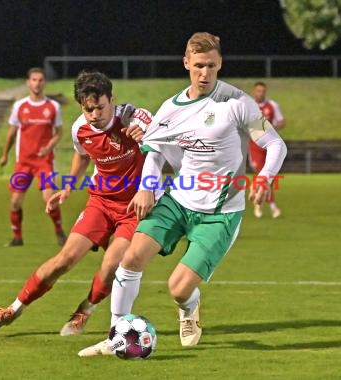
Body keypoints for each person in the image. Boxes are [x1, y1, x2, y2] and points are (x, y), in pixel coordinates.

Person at [78, 32, 287, 357]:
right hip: (178, 201)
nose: (205, 73)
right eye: (199, 65)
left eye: (212, 66)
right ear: (187, 63)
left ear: (220, 65)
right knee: (130, 258)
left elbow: (275, 144)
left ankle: (188, 307)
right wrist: (147, 188)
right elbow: (156, 153)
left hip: (220, 213)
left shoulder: (237, 103)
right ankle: (116, 334)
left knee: (178, 287)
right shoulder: (170, 109)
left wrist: (265, 178)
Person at [0, 70, 151, 336]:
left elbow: (159, 134)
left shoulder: (132, 117)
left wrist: (147, 132)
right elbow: (83, 157)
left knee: (111, 264)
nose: (95, 114)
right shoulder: (79, 129)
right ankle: (13, 309)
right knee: (64, 259)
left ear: (112, 99)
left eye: (100, 107)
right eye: (89, 109)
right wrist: (67, 189)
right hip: (100, 202)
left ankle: (84, 310)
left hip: (133, 208)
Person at [0, 67, 66, 247]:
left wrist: (49, 146)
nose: (37, 83)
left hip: (44, 161)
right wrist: (5, 154)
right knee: (15, 202)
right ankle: (17, 237)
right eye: (34, 80)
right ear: (28, 82)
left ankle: (60, 232)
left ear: (44, 83)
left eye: (40, 80)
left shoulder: (53, 107)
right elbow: (12, 133)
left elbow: (59, 132)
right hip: (24, 162)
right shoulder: (19, 106)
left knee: (49, 198)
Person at [250, 81, 285, 218]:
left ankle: (261, 204)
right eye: (258, 91)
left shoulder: (273, 105)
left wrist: (271, 128)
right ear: (254, 92)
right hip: (255, 146)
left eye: (263, 91)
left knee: (268, 174)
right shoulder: (249, 106)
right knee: (262, 173)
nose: (260, 93)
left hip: (270, 144)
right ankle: (271, 206)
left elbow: (282, 121)